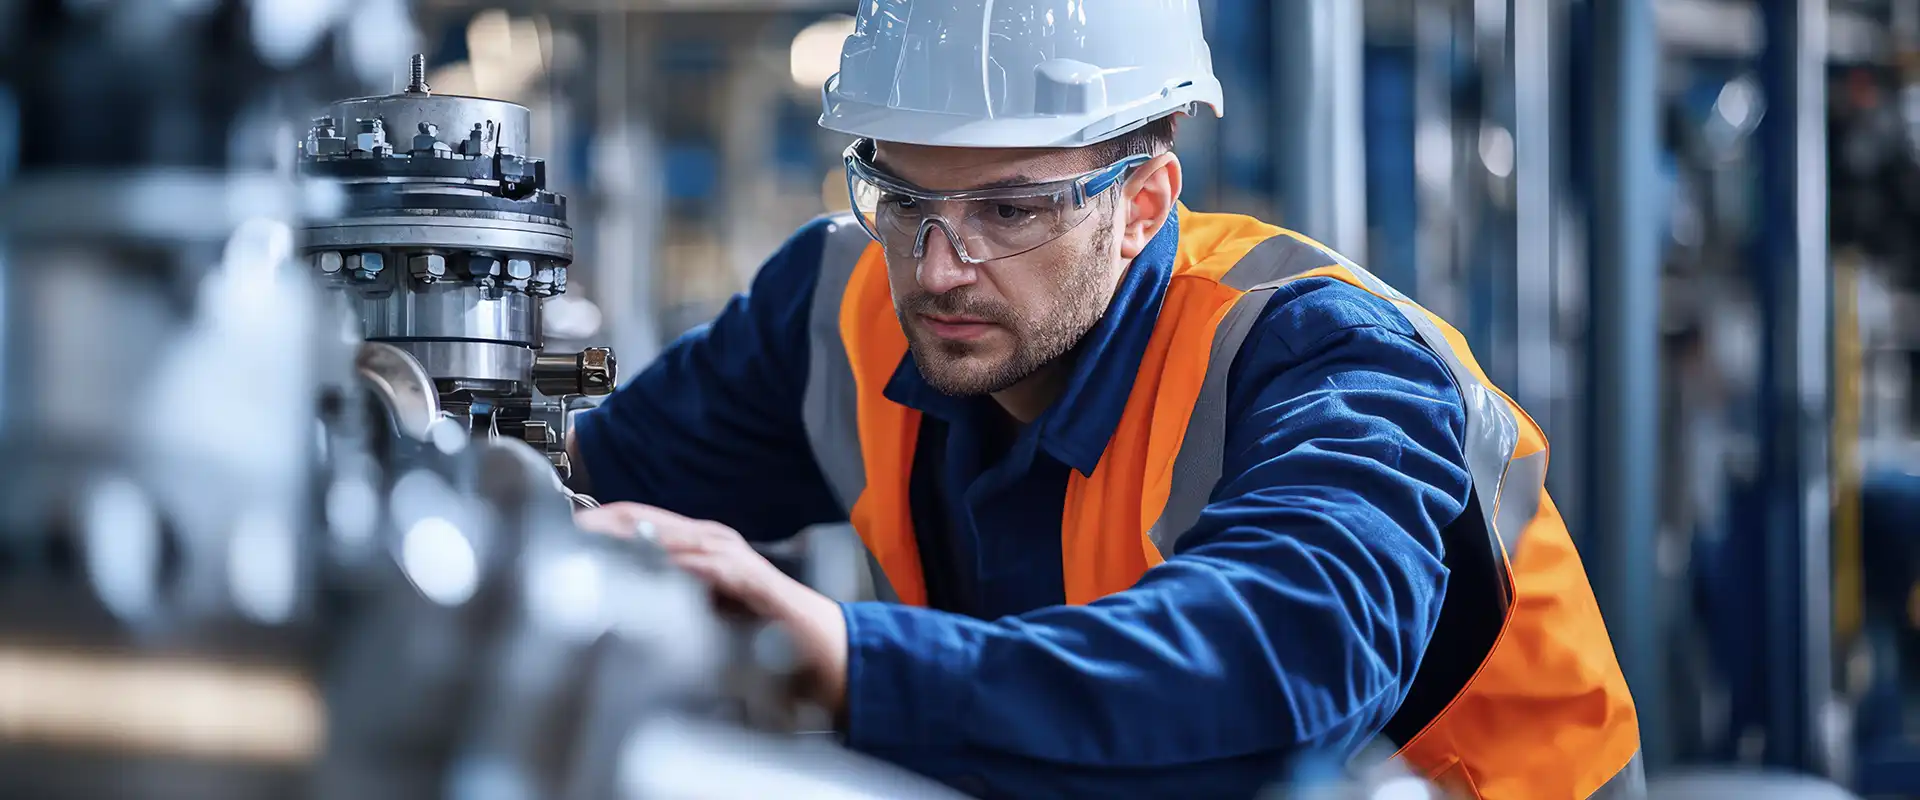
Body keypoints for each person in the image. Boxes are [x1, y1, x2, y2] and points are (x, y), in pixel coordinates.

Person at [568, 2, 1642, 797]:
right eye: (901, 195)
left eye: (1010, 207)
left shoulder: (1330, 363)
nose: (940, 266)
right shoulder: (834, 312)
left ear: (1141, 204)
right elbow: (589, 488)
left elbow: (1272, 683)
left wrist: (857, 664)